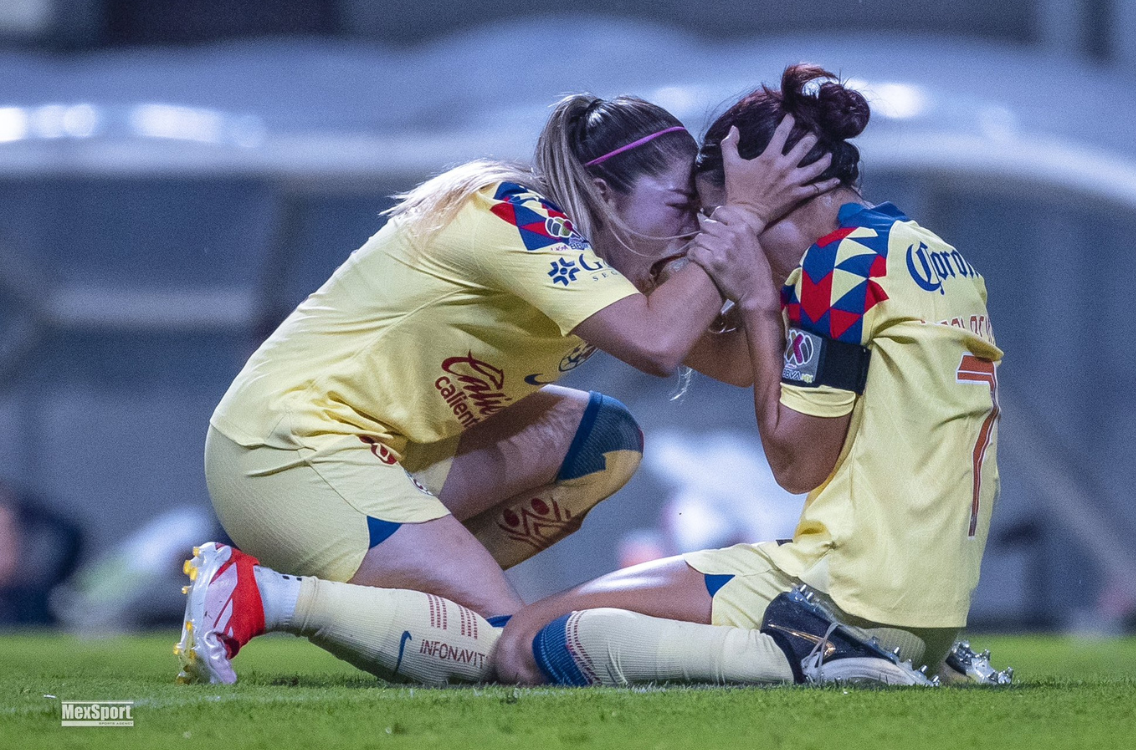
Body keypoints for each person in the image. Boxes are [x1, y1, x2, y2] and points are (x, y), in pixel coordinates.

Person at [177, 93, 838, 685]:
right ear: (603, 195)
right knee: (509, 648)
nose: (695, 230)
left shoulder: (625, 263)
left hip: (385, 457)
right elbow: (658, 343)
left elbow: (734, 361)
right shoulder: (511, 211)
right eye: (680, 208)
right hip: (289, 448)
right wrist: (742, 217)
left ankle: (419, 596)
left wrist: (784, 278)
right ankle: (263, 595)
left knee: (604, 443)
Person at [491, 64, 1010, 688]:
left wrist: (760, 302)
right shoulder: (930, 254)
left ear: (781, 198)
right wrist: (640, 287)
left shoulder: (836, 268)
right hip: (927, 616)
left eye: (721, 218)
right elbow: (740, 360)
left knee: (527, 642)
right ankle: (866, 656)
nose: (718, 241)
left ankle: (816, 655)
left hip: (842, 591)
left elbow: (797, 465)